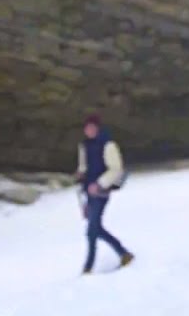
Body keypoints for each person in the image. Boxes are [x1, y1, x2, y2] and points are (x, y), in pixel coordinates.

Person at [74, 113, 134, 274]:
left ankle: (88, 267)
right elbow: (83, 166)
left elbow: (116, 169)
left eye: (92, 127)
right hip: (88, 191)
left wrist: (99, 184)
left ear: (98, 128)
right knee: (95, 228)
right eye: (87, 128)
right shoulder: (84, 145)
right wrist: (80, 175)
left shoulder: (108, 145)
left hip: (101, 191)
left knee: (92, 230)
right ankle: (124, 254)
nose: (89, 130)